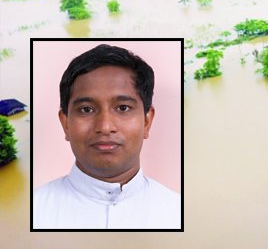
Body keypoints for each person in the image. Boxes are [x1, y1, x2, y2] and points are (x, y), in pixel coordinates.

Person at [33, 44, 181, 229]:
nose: (105, 127)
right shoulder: (30, 213)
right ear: (66, 123)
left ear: (146, 121)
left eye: (123, 108)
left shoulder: (178, 213)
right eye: (86, 109)